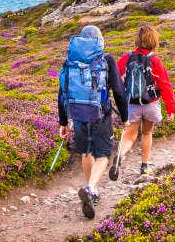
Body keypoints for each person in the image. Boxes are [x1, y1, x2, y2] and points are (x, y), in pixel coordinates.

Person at [58, 25, 128, 219]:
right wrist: (125, 116)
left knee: (86, 152)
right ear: (99, 40)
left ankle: (92, 191)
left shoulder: (70, 61)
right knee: (104, 154)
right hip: (101, 115)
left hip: (77, 115)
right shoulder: (106, 59)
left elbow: (62, 92)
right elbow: (119, 91)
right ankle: (90, 188)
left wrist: (63, 121)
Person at [109, 25, 175, 179]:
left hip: (131, 103)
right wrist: (170, 108)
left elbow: (114, 78)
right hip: (151, 103)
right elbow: (165, 84)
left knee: (129, 135)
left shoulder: (127, 58)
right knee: (147, 133)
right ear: (154, 40)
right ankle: (144, 166)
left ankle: (120, 156)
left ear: (138, 40)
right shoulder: (154, 60)